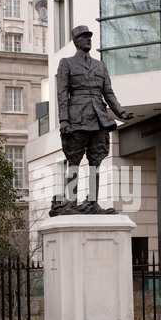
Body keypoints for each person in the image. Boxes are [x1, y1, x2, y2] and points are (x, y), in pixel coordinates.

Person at [50, 25, 133, 216]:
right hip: (77, 118)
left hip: (99, 118)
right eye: (84, 37)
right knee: (74, 161)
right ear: (76, 41)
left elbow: (109, 93)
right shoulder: (66, 63)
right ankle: (71, 202)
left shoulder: (100, 65)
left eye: (89, 37)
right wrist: (64, 121)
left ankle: (93, 202)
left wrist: (121, 112)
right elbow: (62, 94)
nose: (88, 39)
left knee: (96, 161)